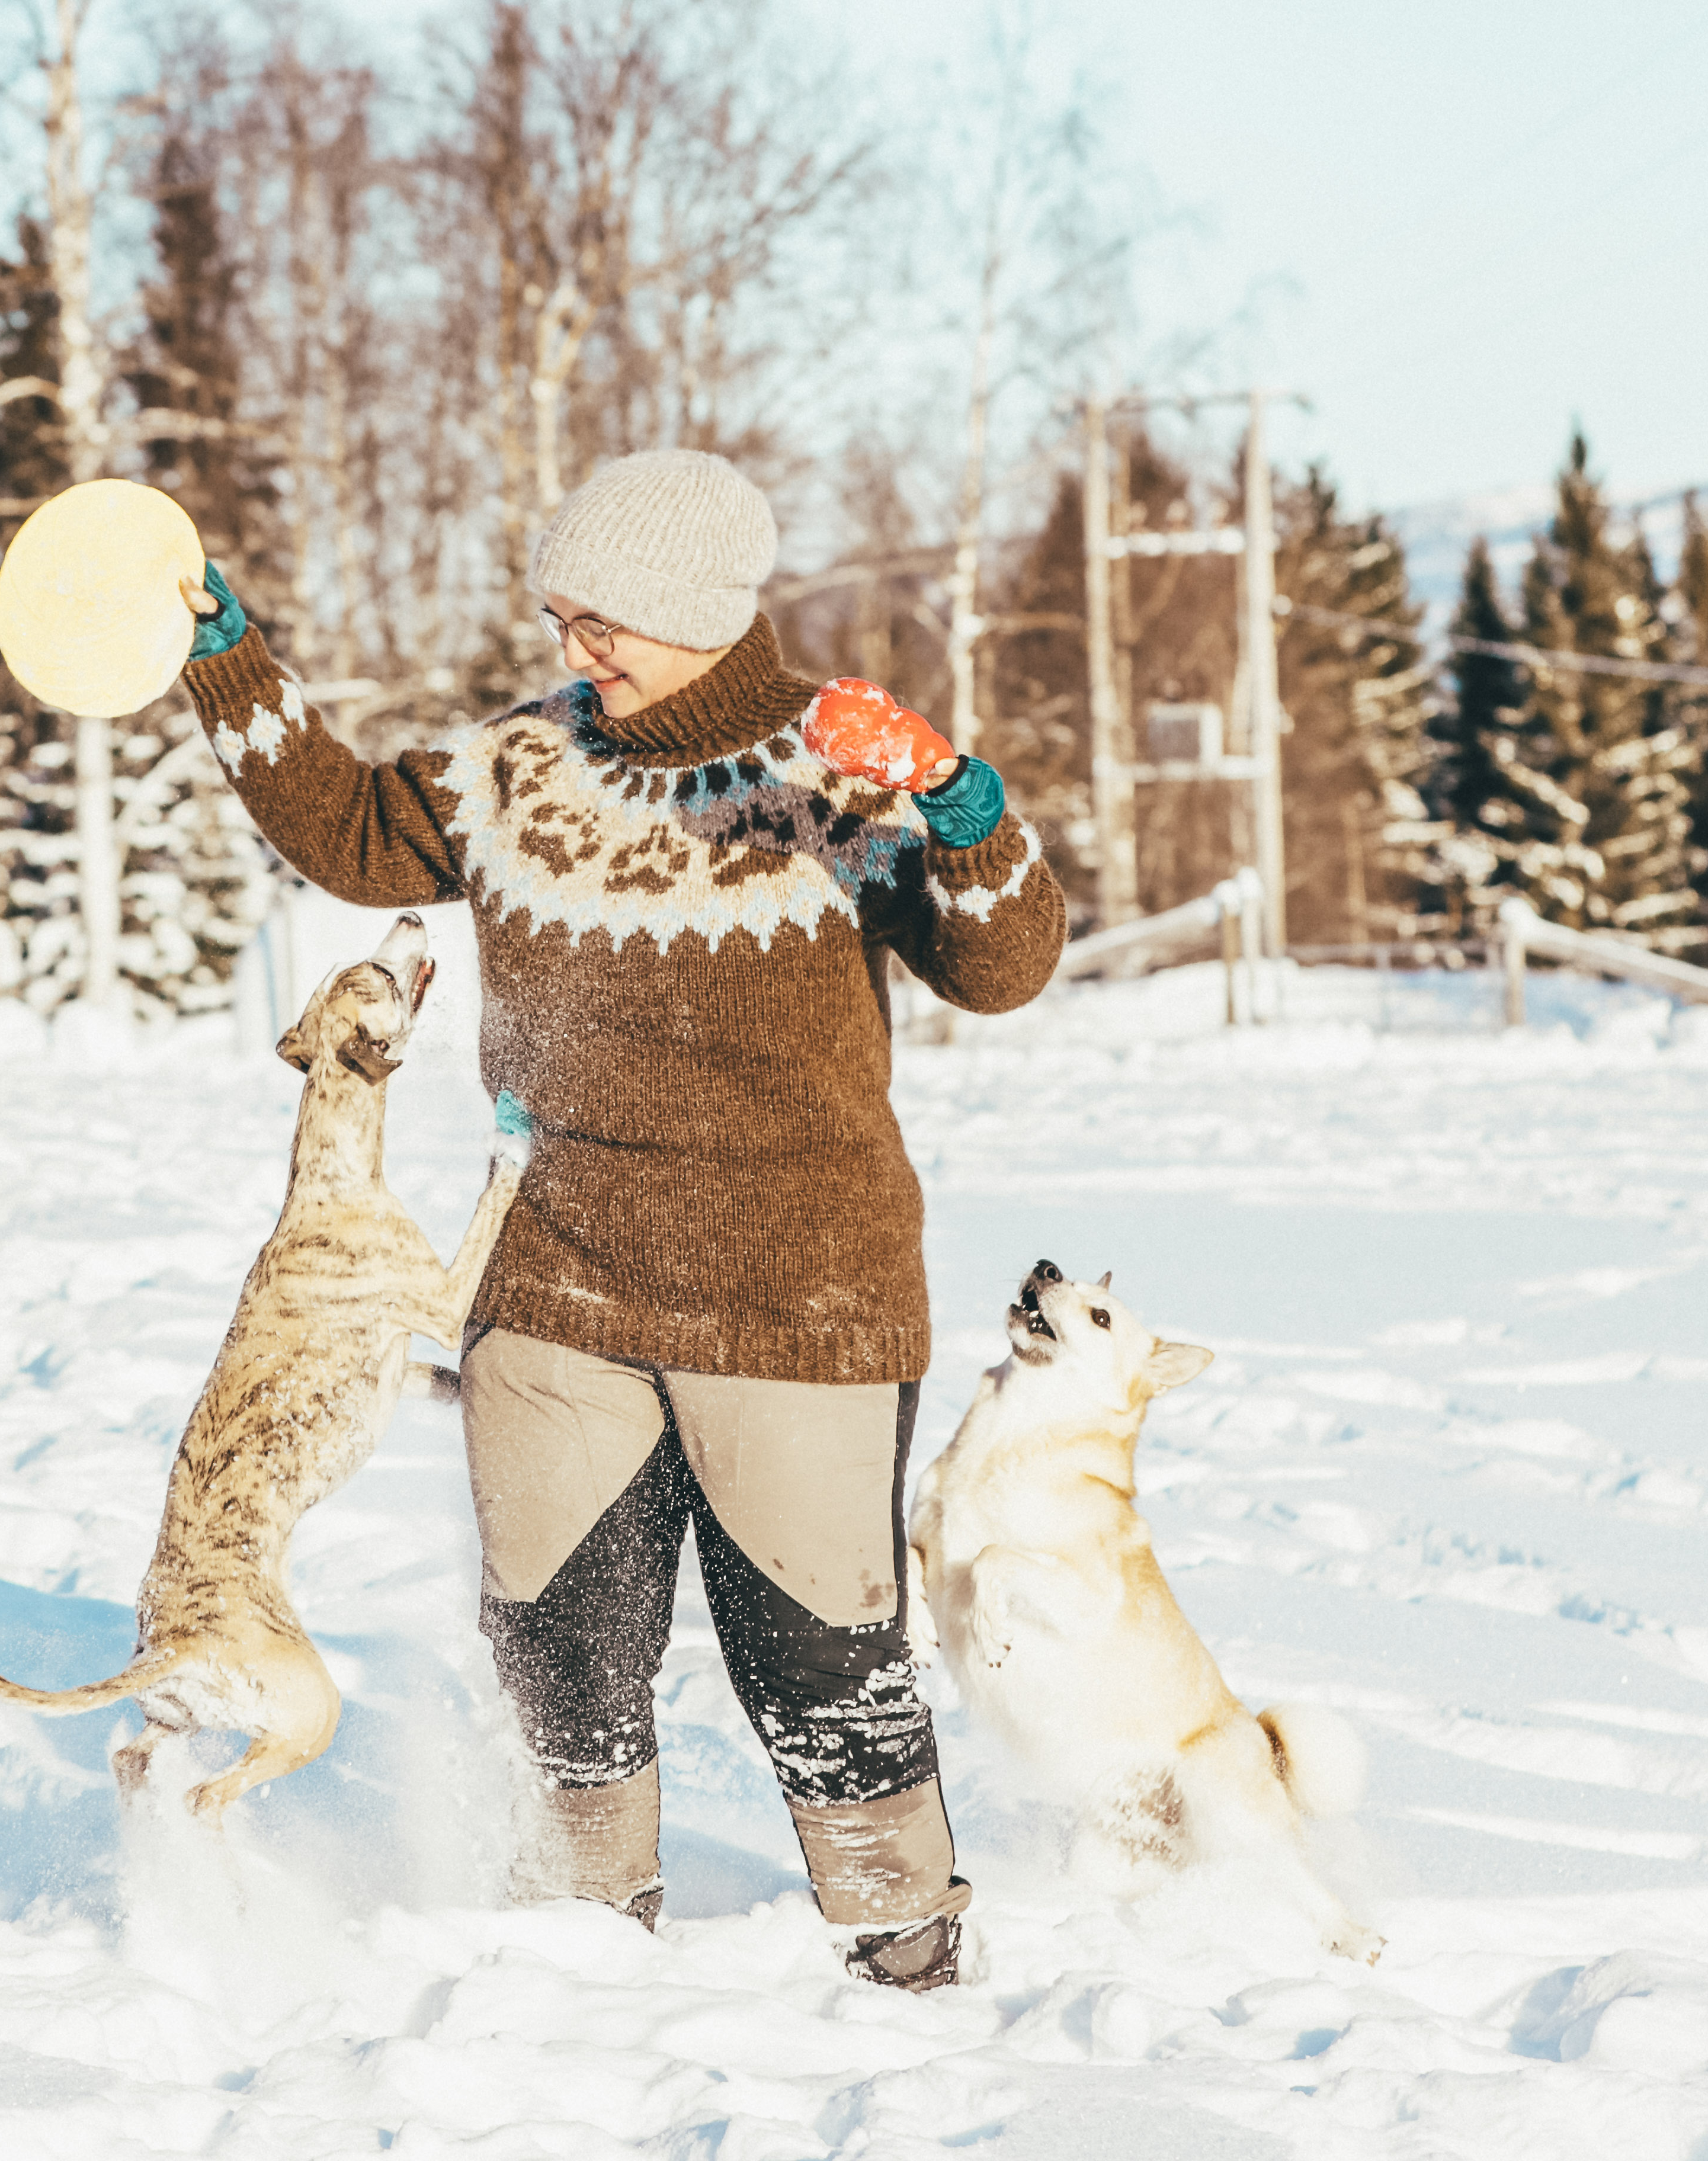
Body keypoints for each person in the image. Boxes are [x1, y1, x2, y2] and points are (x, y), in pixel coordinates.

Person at [177, 448, 1065, 1990]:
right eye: (561, 614)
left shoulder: (834, 764)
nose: (575, 648)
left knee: (816, 1650)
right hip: (557, 1282)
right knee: (554, 1638)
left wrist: (958, 804)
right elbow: (349, 834)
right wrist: (222, 651)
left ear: (705, 611)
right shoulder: (516, 764)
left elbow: (997, 966)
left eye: (607, 622)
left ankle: (901, 1947)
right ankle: (576, 1955)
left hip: (799, 1291)